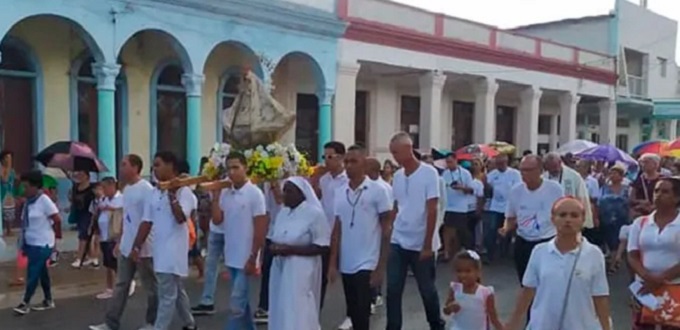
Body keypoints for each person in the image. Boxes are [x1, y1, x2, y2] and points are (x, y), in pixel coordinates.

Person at [505, 197, 611, 330]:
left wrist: (606, 327)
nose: (568, 220)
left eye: (574, 215)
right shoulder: (540, 252)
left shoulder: (594, 254)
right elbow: (527, 291)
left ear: (583, 219)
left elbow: (600, 297)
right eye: (562, 215)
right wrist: (513, 322)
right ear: (553, 219)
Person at [89, 154, 157, 330]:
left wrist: (138, 245)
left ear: (135, 167)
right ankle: (111, 322)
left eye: (124, 164)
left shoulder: (146, 189)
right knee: (121, 285)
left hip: (144, 247)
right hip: (127, 245)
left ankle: (152, 322)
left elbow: (148, 220)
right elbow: (127, 218)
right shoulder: (127, 189)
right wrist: (121, 241)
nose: (121, 168)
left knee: (151, 287)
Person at [131, 151, 198, 330]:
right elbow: (146, 221)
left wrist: (172, 194)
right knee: (176, 288)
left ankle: (159, 327)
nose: (155, 168)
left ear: (171, 166)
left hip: (174, 250)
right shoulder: (154, 192)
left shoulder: (185, 192)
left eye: (158, 164)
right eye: (154, 165)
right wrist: (136, 246)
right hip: (158, 249)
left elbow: (181, 218)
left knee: (167, 294)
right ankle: (189, 323)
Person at [328, 145, 392, 330]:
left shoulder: (377, 190)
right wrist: (333, 263)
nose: (348, 166)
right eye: (346, 161)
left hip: (368, 260)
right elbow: (337, 229)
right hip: (347, 260)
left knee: (363, 311)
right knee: (353, 310)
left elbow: (386, 229)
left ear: (364, 163)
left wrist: (380, 267)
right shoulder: (340, 192)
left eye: (353, 161)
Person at [386, 132, 445, 330]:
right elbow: (396, 205)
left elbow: (432, 209)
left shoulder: (429, 173)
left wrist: (427, 245)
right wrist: (390, 229)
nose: (393, 156)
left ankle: (436, 324)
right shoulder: (397, 176)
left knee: (427, 290)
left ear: (408, 149)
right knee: (393, 288)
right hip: (399, 240)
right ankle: (393, 326)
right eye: (391, 152)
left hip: (422, 243)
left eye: (396, 152)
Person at [212, 151, 267, 330]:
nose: (232, 172)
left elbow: (260, 228)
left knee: (236, 302)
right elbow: (217, 220)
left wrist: (253, 257)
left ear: (245, 168)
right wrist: (215, 195)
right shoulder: (226, 193)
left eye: (236, 167)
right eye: (229, 169)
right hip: (231, 254)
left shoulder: (255, 194)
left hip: (246, 256)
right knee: (242, 302)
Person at [267, 177, 330, 329]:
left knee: (298, 305)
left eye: (289, 191)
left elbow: (323, 246)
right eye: (284, 191)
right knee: (279, 303)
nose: (284, 195)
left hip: (302, 267)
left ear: (302, 194)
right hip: (280, 266)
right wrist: (274, 248)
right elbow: (273, 236)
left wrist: (291, 250)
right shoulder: (283, 212)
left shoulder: (314, 214)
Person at [500, 155, 564, 283]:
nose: (524, 173)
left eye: (528, 170)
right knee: (526, 281)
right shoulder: (516, 191)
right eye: (522, 170)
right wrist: (506, 228)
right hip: (523, 240)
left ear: (540, 171)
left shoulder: (554, 189)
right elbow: (511, 217)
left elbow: (562, 213)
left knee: (546, 280)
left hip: (546, 240)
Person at [627, 177, 680, 329]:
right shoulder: (641, 222)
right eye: (656, 191)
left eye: (665, 191)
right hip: (645, 288)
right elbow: (632, 254)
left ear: (677, 197)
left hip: (674, 287)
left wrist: (660, 279)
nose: (658, 195)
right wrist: (646, 277)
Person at [13, 170, 61, 315]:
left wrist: (55, 238)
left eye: (27, 187)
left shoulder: (44, 200)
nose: (24, 190)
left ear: (35, 187)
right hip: (30, 242)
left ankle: (25, 302)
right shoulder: (29, 202)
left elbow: (57, 219)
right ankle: (48, 300)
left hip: (42, 243)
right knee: (41, 272)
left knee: (32, 272)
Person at [314, 141, 351, 329]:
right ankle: (313, 316)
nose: (327, 161)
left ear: (341, 158)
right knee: (319, 277)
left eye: (330, 157)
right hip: (324, 234)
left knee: (347, 276)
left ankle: (351, 315)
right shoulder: (324, 179)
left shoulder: (348, 180)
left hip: (344, 234)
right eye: (324, 157)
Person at [443, 250, 502, 330]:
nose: (463, 275)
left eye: (468, 271)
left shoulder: (485, 293)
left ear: (478, 272)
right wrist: (450, 308)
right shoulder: (455, 288)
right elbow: (446, 310)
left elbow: (493, 318)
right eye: (459, 271)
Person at [365, 157, 394, 312]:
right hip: (366, 234)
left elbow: (388, 213)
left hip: (378, 232)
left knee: (376, 265)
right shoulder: (364, 186)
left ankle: (375, 294)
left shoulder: (383, 188)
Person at [253, 177, 284, 323]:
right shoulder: (265, 183)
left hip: (286, 231)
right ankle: (264, 305)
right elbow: (266, 209)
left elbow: (281, 201)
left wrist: (275, 186)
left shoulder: (291, 181)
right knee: (267, 269)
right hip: (271, 231)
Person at [484, 154, 521, 263]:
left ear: (507, 162)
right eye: (498, 163)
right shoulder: (492, 175)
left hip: (509, 207)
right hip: (495, 207)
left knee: (506, 231)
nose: (500, 165)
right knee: (491, 231)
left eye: (502, 163)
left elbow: (518, 190)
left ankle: (504, 253)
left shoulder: (515, 174)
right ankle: (490, 254)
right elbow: (487, 190)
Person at [543, 152, 593, 231]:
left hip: (569, 216)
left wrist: (584, 220)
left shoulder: (573, 176)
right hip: (548, 220)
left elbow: (582, 198)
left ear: (560, 163)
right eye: (550, 169)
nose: (553, 171)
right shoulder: (543, 177)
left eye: (555, 167)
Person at [93, 177, 124, 300]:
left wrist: (110, 208)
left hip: (114, 235)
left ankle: (123, 285)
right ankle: (109, 288)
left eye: (105, 187)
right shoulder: (103, 199)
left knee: (114, 263)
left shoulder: (120, 199)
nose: (103, 190)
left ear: (112, 186)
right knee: (107, 263)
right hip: (103, 235)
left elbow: (122, 213)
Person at [441, 153, 474, 260]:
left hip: (461, 207)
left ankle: (456, 251)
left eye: (450, 162)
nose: (449, 164)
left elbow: (471, 190)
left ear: (456, 161)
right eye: (447, 162)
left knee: (459, 231)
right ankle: (446, 252)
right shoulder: (444, 174)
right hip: (447, 206)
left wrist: (462, 187)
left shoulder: (465, 173)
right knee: (447, 229)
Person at [597, 166, 630, 269]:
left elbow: (630, 203)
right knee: (608, 239)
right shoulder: (604, 188)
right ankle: (613, 259)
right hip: (606, 218)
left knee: (618, 239)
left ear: (621, 176)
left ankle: (614, 262)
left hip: (621, 217)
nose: (613, 175)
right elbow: (598, 202)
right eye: (611, 173)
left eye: (616, 173)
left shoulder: (626, 188)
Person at [70, 171, 98, 268]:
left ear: (87, 177)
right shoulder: (75, 187)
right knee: (86, 236)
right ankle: (92, 257)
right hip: (79, 213)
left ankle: (79, 259)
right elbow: (73, 200)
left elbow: (96, 201)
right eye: (79, 174)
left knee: (83, 235)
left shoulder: (92, 189)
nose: (79, 176)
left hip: (89, 213)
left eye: (82, 174)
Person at [630, 153, 662, 218]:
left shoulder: (663, 179)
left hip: (658, 212)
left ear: (655, 164)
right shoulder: (638, 180)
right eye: (642, 162)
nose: (643, 165)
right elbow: (631, 198)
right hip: (640, 213)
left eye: (646, 162)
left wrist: (653, 206)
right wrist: (641, 202)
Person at [1, 150, 16, 237]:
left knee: (10, 211)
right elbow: (5, 180)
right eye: (7, 158)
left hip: (10, 193)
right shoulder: (1, 168)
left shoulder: (12, 169)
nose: (8, 160)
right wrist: (8, 166)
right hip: (2, 192)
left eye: (10, 158)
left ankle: (9, 230)